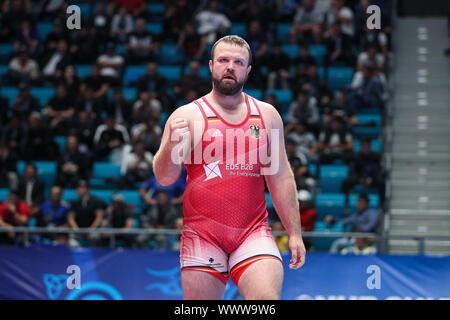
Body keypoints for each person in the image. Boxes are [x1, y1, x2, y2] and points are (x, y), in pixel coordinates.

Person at [152, 35, 306, 300]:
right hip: (202, 235)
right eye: (224, 60)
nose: (230, 67)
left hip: (252, 231)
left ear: (247, 70)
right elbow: (164, 179)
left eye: (238, 62)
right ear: (211, 66)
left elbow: (280, 177)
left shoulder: (267, 116)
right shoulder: (186, 116)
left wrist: (295, 233)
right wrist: (169, 148)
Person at [67, 180, 107, 246]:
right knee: (71, 240)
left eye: (81, 187)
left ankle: (96, 255)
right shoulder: (74, 203)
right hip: (78, 230)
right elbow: (71, 218)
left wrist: (90, 230)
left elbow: (99, 217)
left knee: (95, 237)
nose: (78, 190)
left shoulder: (95, 202)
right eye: (77, 188)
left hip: (91, 230)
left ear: (87, 189)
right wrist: (77, 230)